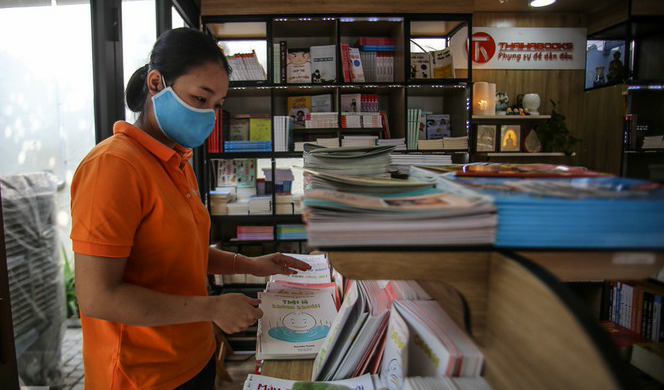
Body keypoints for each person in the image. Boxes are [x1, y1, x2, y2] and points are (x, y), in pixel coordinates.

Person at [70, 28, 310, 390]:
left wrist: (250, 265)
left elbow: (181, 253)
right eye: (200, 98)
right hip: (141, 374)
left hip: (193, 355)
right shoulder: (113, 167)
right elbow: (97, 296)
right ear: (156, 83)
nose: (210, 115)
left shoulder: (176, 161)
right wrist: (212, 309)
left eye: (217, 104)